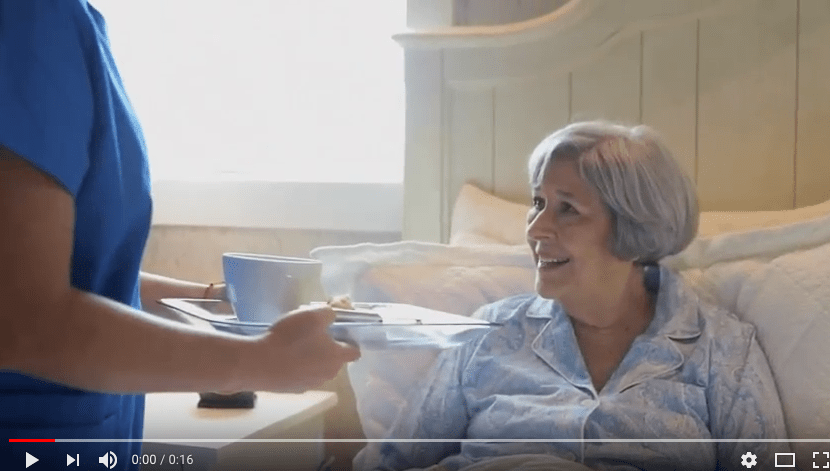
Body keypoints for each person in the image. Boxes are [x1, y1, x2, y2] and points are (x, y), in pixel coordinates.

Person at [0, 1, 359, 469]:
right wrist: (260, 363)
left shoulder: (60, 24)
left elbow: (77, 268)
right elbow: (24, 317)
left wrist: (211, 298)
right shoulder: (31, 19)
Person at [357, 121, 789, 471]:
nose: (535, 229)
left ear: (632, 230)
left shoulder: (722, 349)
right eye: (538, 202)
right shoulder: (486, 336)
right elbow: (394, 461)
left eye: (567, 208)